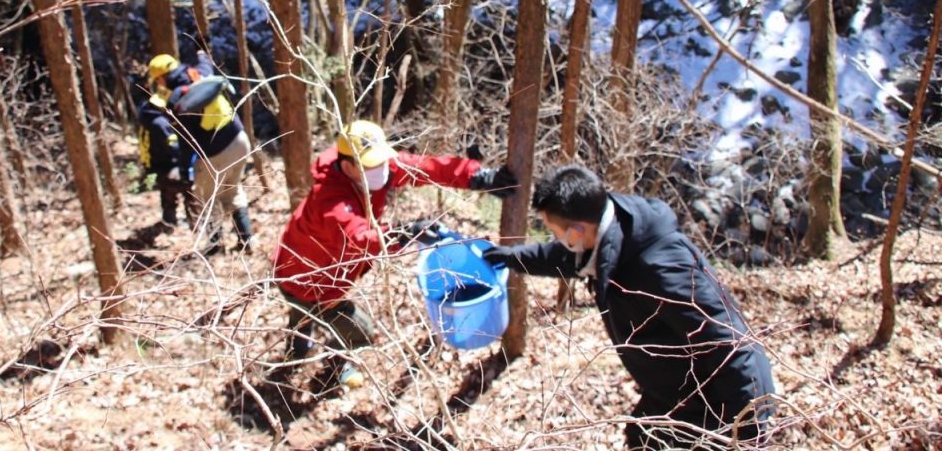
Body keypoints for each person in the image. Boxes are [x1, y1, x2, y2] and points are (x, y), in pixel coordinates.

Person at [480, 164, 776, 450]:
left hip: (714, 404)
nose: (554, 238)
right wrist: (508, 257)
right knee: (641, 436)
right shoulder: (612, 226)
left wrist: (745, 432)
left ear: (576, 232)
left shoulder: (660, 267)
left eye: (554, 231)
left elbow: (730, 342)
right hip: (673, 390)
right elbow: (559, 256)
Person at [272, 119, 517, 380]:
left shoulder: (372, 167)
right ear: (347, 167)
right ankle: (328, 372)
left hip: (318, 271)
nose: (382, 168)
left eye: (382, 161)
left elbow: (425, 168)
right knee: (357, 330)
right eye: (372, 165)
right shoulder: (330, 202)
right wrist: (405, 232)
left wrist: (476, 177)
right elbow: (361, 239)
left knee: (301, 319)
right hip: (305, 277)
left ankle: (297, 353)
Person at [151, 51, 253, 254]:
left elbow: (186, 143)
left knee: (208, 198)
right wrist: (200, 51)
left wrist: (184, 171)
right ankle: (246, 240)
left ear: (162, 78)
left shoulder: (179, 101)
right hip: (240, 140)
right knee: (232, 190)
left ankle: (215, 245)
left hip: (215, 152)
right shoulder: (200, 74)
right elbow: (205, 61)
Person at [135, 92, 192, 230]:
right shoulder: (160, 123)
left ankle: (169, 221)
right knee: (188, 191)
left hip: (156, 166)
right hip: (168, 165)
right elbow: (172, 146)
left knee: (166, 194)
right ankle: (193, 221)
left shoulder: (146, 119)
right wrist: (185, 155)